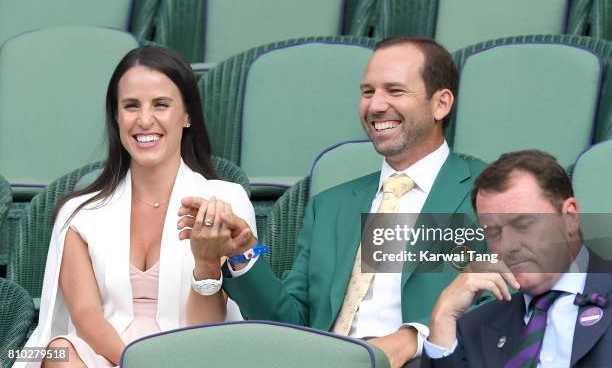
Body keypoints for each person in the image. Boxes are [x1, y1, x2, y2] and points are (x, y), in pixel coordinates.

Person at [179, 37, 487, 367]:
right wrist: (244, 252)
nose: (376, 105)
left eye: (395, 91)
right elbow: (289, 323)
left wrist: (415, 337)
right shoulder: (330, 205)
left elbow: (519, 300)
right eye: (368, 92)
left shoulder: (487, 192)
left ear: (441, 103)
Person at [19, 46, 255, 367]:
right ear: (116, 116)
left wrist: (206, 265)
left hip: (194, 358)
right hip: (110, 356)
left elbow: (210, 329)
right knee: (60, 350)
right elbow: (86, 317)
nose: (145, 120)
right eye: (131, 106)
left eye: (161, 104)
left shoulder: (226, 202)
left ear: (187, 115)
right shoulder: (78, 213)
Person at [423, 150, 612, 367]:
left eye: (523, 224)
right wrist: (442, 318)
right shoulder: (474, 326)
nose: (508, 246)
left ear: (570, 217)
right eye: (493, 232)